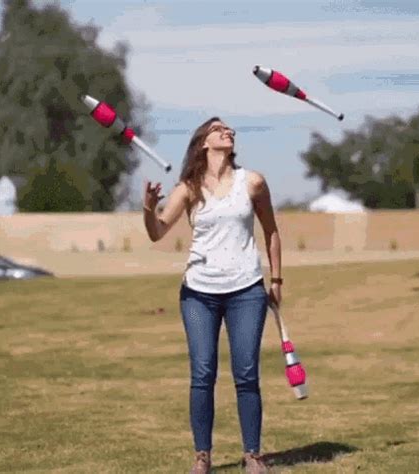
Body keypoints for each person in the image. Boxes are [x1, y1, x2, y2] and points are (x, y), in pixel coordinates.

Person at [143, 117, 282, 473]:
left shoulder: (252, 182)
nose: (229, 132)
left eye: (231, 130)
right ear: (204, 142)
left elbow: (272, 232)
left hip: (247, 290)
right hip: (198, 294)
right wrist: (148, 208)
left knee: (246, 373)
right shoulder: (189, 187)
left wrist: (277, 279)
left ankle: (252, 454)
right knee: (202, 373)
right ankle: (202, 456)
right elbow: (157, 232)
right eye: (219, 129)